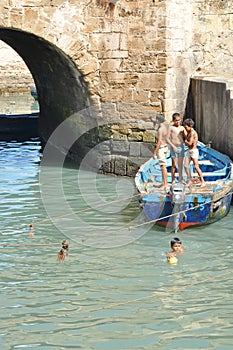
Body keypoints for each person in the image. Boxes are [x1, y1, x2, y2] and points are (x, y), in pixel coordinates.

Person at [183, 118, 206, 187]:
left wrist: (185, 142)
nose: (185, 128)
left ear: (190, 126)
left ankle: (203, 181)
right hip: (189, 151)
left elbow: (189, 143)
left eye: (186, 127)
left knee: (196, 167)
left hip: (193, 151)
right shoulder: (189, 132)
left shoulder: (193, 133)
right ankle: (190, 179)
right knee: (186, 165)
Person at [167, 113, 187, 184]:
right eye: (176, 120)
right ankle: (173, 179)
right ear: (173, 121)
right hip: (174, 147)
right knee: (174, 164)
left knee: (180, 164)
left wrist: (185, 133)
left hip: (181, 147)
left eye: (179, 120)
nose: (178, 122)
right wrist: (173, 146)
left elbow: (186, 136)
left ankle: (180, 179)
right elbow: (167, 139)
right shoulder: (171, 128)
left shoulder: (182, 128)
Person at [153, 114, 169, 189]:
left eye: (156, 119)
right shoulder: (165, 128)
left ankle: (165, 183)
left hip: (162, 148)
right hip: (166, 147)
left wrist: (155, 152)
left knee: (163, 166)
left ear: (158, 120)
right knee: (163, 166)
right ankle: (163, 182)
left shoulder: (160, 129)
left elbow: (159, 141)